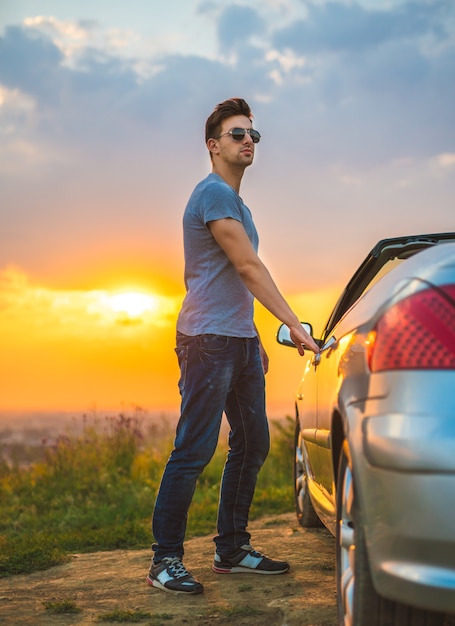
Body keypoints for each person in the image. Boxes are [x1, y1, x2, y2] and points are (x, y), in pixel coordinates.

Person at [147, 97, 319, 595]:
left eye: (253, 135)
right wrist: (294, 325)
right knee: (194, 449)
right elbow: (248, 268)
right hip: (207, 341)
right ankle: (165, 559)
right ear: (213, 144)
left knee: (253, 442)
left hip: (237, 340)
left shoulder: (237, 203)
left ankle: (232, 548)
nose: (248, 141)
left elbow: (232, 280)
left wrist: (255, 335)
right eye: (237, 133)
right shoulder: (214, 195)